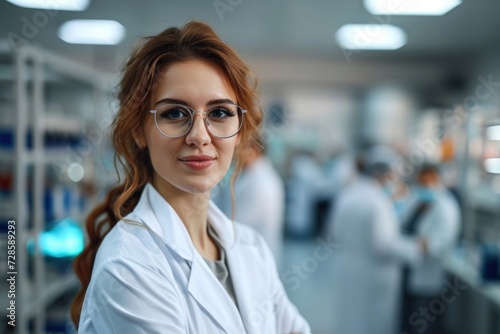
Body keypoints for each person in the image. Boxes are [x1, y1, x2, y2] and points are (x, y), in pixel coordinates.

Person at [70, 21, 311, 334]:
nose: (199, 136)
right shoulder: (128, 267)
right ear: (139, 131)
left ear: (239, 132)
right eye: (174, 113)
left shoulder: (251, 248)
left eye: (220, 113)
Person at [327, 145, 427, 334]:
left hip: (346, 268)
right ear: (385, 174)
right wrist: (416, 247)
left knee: (350, 320)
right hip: (374, 276)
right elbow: (384, 245)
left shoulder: (346, 195)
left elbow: (334, 232)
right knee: (373, 324)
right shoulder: (378, 202)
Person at [400, 163, 461, 334]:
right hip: (410, 269)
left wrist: (418, 244)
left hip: (429, 273)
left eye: (428, 180)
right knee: (408, 319)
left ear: (437, 179)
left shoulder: (446, 206)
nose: (423, 185)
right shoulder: (417, 201)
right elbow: (403, 225)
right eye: (421, 181)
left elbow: (441, 244)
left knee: (423, 322)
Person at [212, 137, 285, 261]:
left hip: (251, 256)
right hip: (247, 253)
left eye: (238, 149)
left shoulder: (259, 184)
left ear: (253, 151)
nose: (233, 154)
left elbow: (235, 227)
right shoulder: (251, 176)